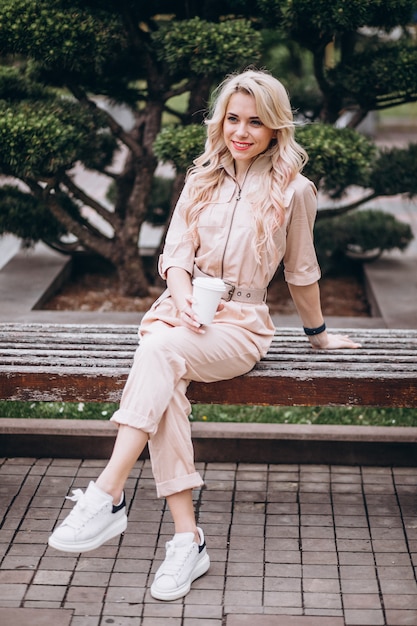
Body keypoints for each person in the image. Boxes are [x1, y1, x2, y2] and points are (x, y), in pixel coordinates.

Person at [48, 68, 360, 601]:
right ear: (220, 121)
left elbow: (301, 271)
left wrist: (320, 334)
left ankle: (108, 493)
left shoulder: (294, 189)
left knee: (158, 351)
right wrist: (184, 295)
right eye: (233, 118)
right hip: (181, 314)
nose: (241, 131)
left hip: (240, 326)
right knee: (163, 366)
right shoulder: (202, 178)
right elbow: (174, 254)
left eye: (256, 122)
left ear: (276, 128)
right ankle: (187, 540)